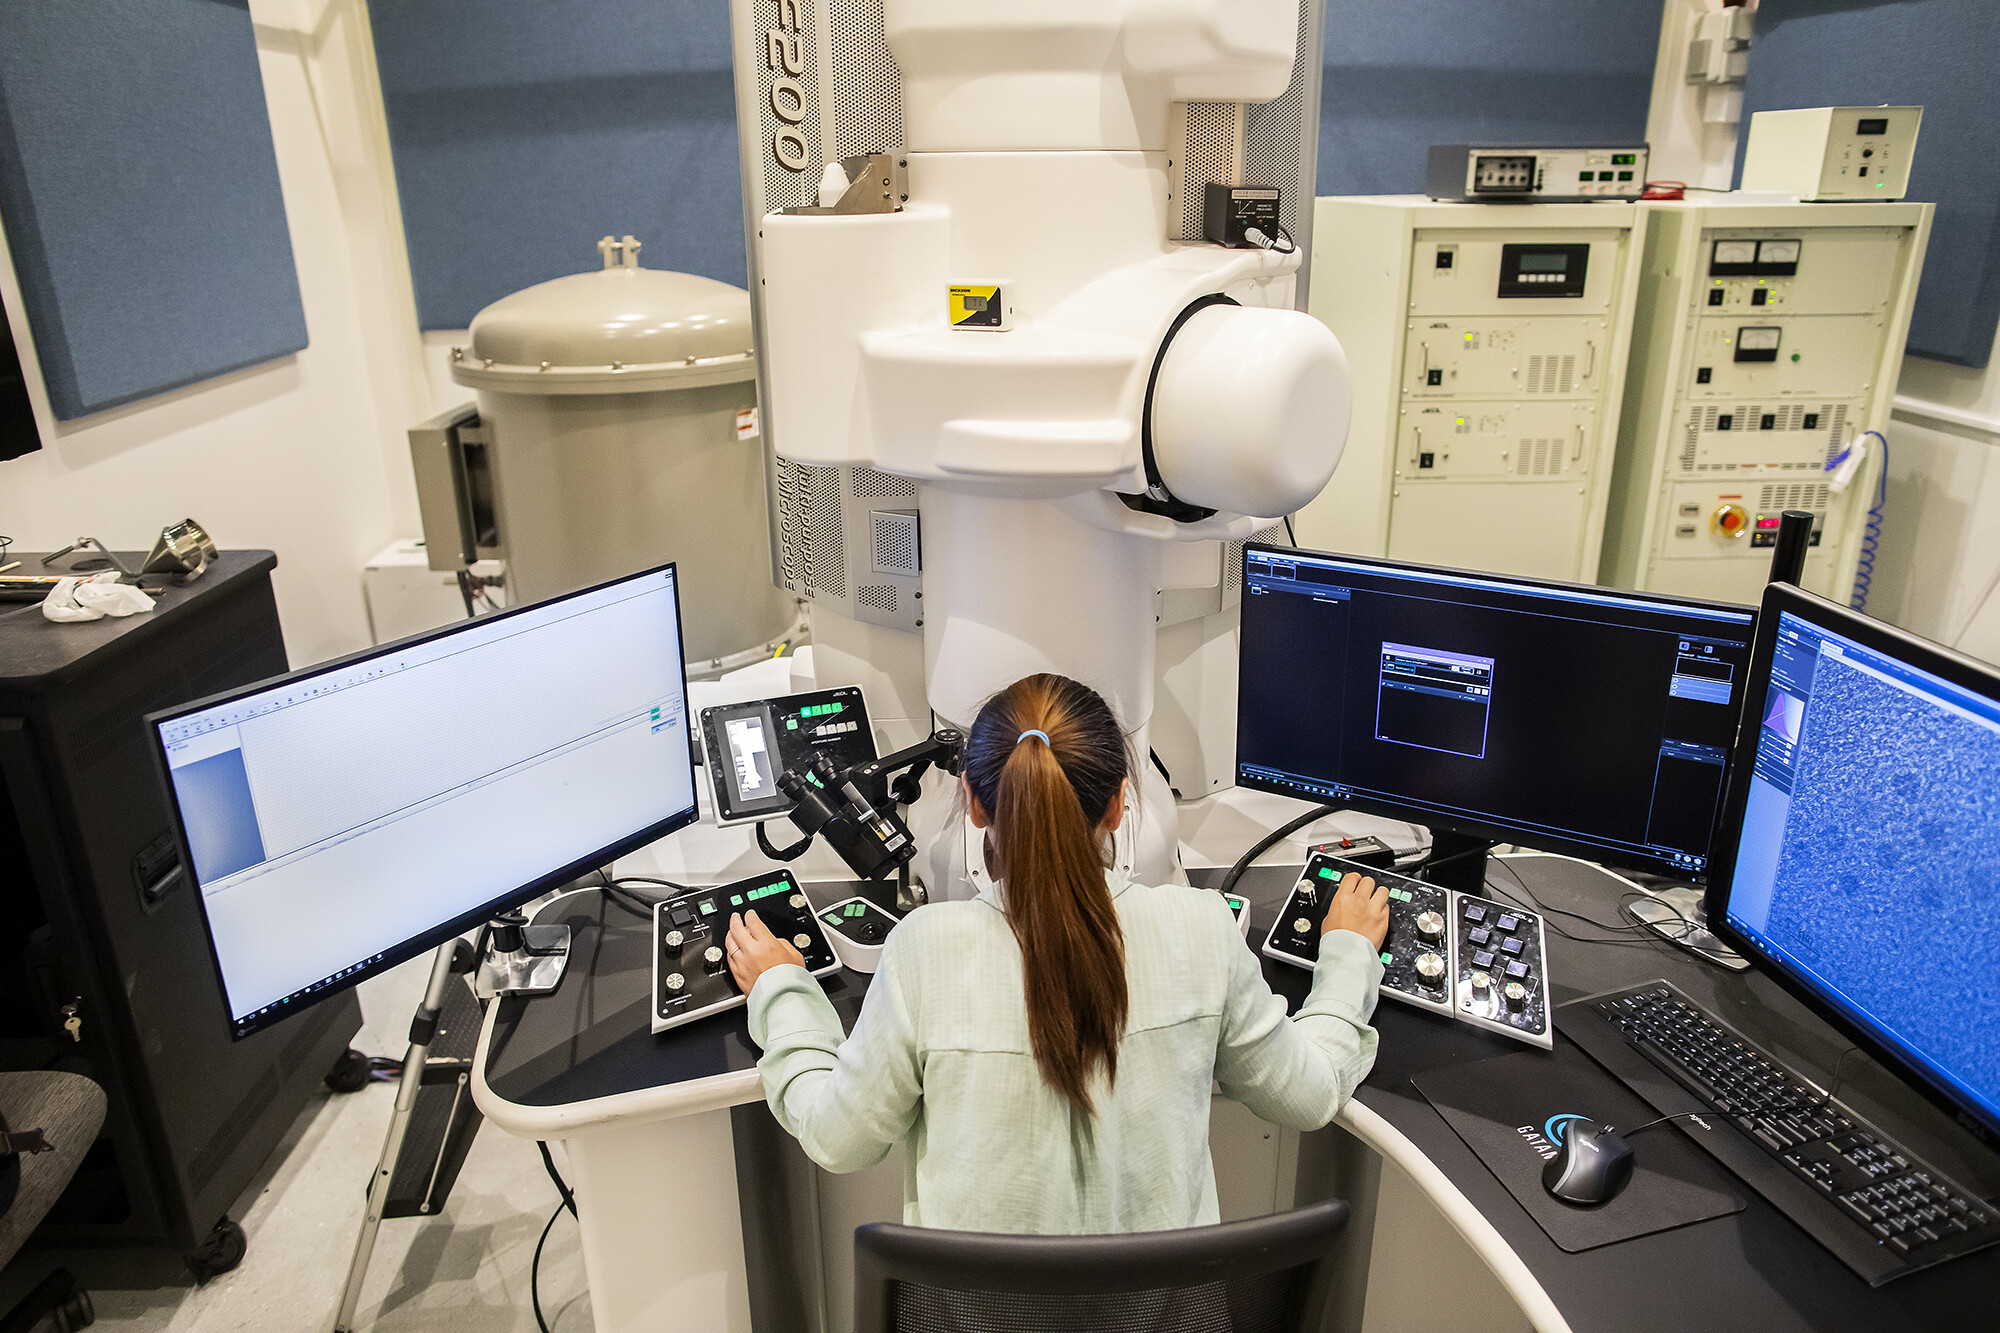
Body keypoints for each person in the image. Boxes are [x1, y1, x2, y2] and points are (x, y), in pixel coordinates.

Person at [725, 673, 1386, 1234]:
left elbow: (840, 1139)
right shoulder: (1203, 929)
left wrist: (782, 990)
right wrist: (1349, 950)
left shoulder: (923, 953)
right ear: (1124, 801)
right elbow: (1311, 1092)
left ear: (976, 805)